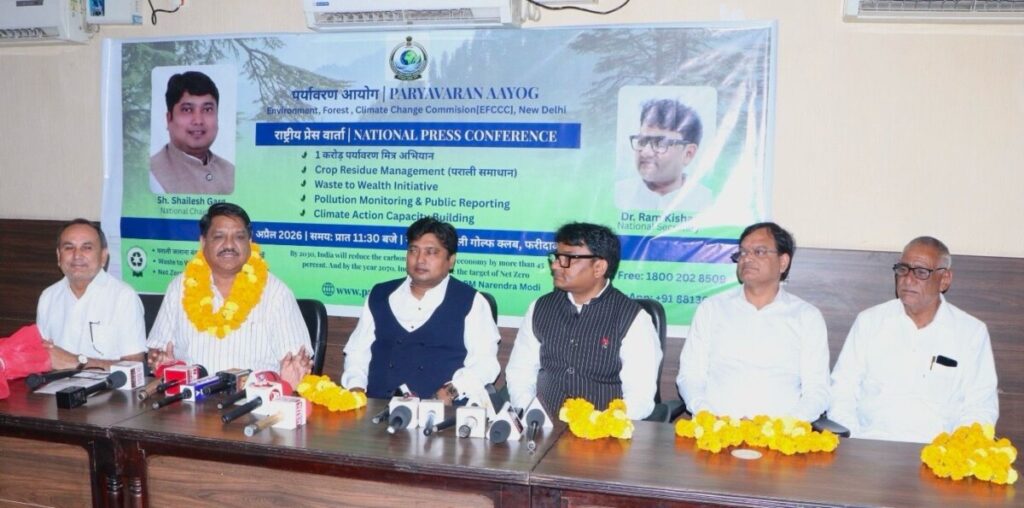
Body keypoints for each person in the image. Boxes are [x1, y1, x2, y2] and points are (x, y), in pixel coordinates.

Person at [828, 237, 998, 443]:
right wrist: (856, 440)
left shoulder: (971, 332)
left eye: (921, 272)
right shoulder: (870, 322)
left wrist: (954, 450)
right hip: (871, 445)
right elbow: (842, 390)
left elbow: (980, 406)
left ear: (944, 279)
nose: (908, 279)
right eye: (903, 269)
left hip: (938, 450)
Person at [676, 222, 830, 422]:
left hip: (780, 433)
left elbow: (817, 390)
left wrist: (785, 425)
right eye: (742, 252)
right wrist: (707, 415)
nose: (747, 258)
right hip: (716, 428)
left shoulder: (806, 317)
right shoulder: (712, 309)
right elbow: (690, 376)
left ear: (783, 262)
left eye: (759, 251)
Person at [506, 222, 661, 420]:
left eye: (567, 258)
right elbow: (520, 372)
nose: (555, 265)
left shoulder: (633, 318)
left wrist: (601, 424)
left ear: (599, 267)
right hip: (543, 424)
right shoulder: (540, 307)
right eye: (556, 257)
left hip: (603, 430)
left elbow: (640, 396)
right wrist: (531, 413)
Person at [147, 203, 310, 388]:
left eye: (239, 237)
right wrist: (160, 360)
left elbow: (296, 367)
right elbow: (157, 351)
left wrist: (293, 375)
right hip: (189, 398)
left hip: (253, 401)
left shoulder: (277, 294)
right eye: (219, 236)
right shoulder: (179, 288)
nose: (229, 245)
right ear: (203, 242)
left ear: (250, 242)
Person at [342, 218, 500, 403]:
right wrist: (356, 388)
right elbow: (357, 352)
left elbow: (485, 363)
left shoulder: (471, 301)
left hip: (442, 410)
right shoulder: (379, 294)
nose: (420, 259)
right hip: (377, 407)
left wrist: (451, 391)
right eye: (413, 250)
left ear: (451, 260)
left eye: (431, 252)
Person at [37, 219, 147, 370]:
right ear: (58, 256)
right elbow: (41, 355)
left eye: (87, 248)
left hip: (106, 385)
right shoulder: (48, 297)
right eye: (69, 247)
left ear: (103, 256)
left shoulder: (124, 297)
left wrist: (77, 362)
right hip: (54, 384)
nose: (77, 255)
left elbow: (135, 366)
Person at [615, 98, 711, 212]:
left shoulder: (708, 202)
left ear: (688, 154)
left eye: (660, 143)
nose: (645, 152)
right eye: (642, 141)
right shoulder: (617, 194)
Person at [150, 70, 235, 194]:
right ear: (169, 119)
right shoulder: (152, 174)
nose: (198, 121)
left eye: (207, 109)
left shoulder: (230, 172)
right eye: (187, 110)